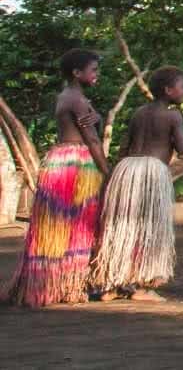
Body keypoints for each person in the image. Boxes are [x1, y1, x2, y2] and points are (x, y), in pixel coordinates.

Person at [4, 49, 109, 307]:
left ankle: (46, 285)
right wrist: (108, 172)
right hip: (77, 166)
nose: (97, 75)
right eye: (93, 70)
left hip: (59, 163)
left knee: (56, 227)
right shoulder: (78, 100)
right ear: (77, 72)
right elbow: (93, 140)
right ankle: (67, 286)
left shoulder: (65, 96)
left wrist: (98, 118)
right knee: (79, 226)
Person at [90, 65, 183, 302]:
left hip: (126, 170)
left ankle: (113, 284)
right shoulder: (173, 115)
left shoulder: (139, 112)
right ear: (168, 90)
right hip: (151, 173)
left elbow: (125, 146)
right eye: (182, 87)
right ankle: (143, 286)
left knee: (123, 226)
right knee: (149, 228)